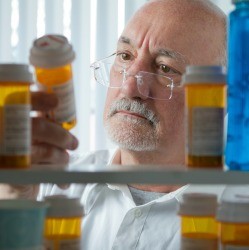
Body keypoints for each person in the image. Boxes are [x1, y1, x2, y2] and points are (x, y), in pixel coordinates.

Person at [0, 0, 227, 248]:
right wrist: (13, 201)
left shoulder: (237, 218)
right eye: (125, 56)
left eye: (165, 68)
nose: (129, 88)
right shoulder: (47, 185)